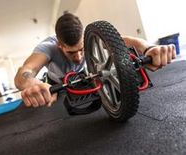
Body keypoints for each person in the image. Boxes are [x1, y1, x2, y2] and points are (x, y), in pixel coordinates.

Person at [14, 13, 176, 108]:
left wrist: (148, 49)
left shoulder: (90, 37)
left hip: (89, 76)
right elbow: (25, 71)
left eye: (81, 50)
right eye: (71, 53)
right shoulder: (48, 47)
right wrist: (32, 85)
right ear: (60, 45)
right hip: (58, 85)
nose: (78, 57)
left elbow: (125, 40)